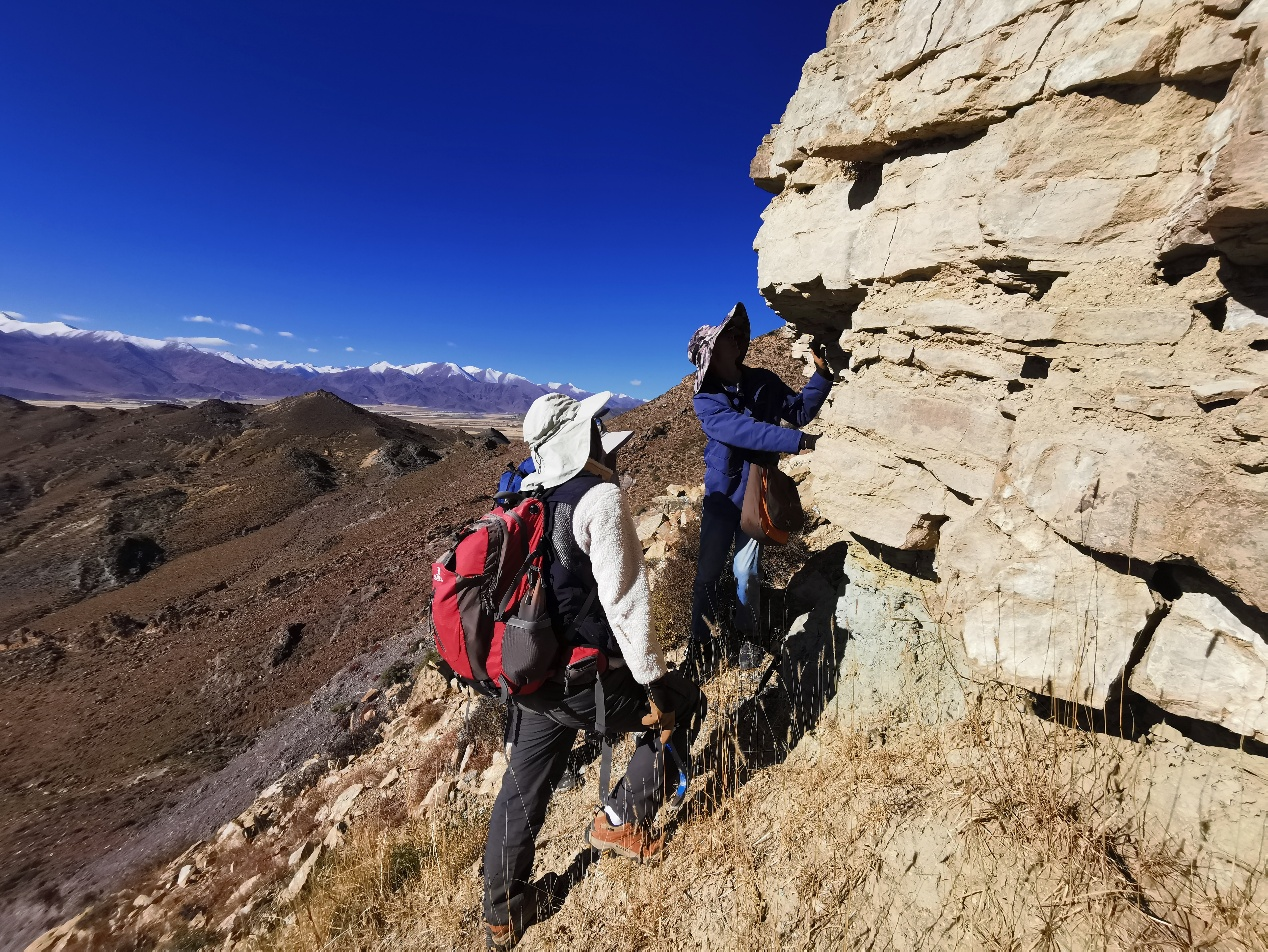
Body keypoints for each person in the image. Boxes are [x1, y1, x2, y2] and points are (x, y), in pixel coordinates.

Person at [483, 390, 705, 950]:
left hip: (534, 670)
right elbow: (625, 599)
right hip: (586, 677)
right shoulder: (599, 499)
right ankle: (622, 818)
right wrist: (655, 683)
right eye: (594, 429)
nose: (604, 438)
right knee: (683, 704)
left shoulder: (533, 496)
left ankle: (502, 912)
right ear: (578, 440)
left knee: (522, 787)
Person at [686, 302, 834, 679]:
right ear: (712, 356)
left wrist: (821, 375)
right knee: (708, 573)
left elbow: (798, 411)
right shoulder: (705, 399)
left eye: (735, 335)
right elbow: (743, 431)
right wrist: (798, 441)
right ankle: (699, 643)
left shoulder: (764, 380)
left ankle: (747, 633)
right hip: (723, 496)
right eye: (726, 338)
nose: (735, 340)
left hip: (759, 492)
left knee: (745, 568)